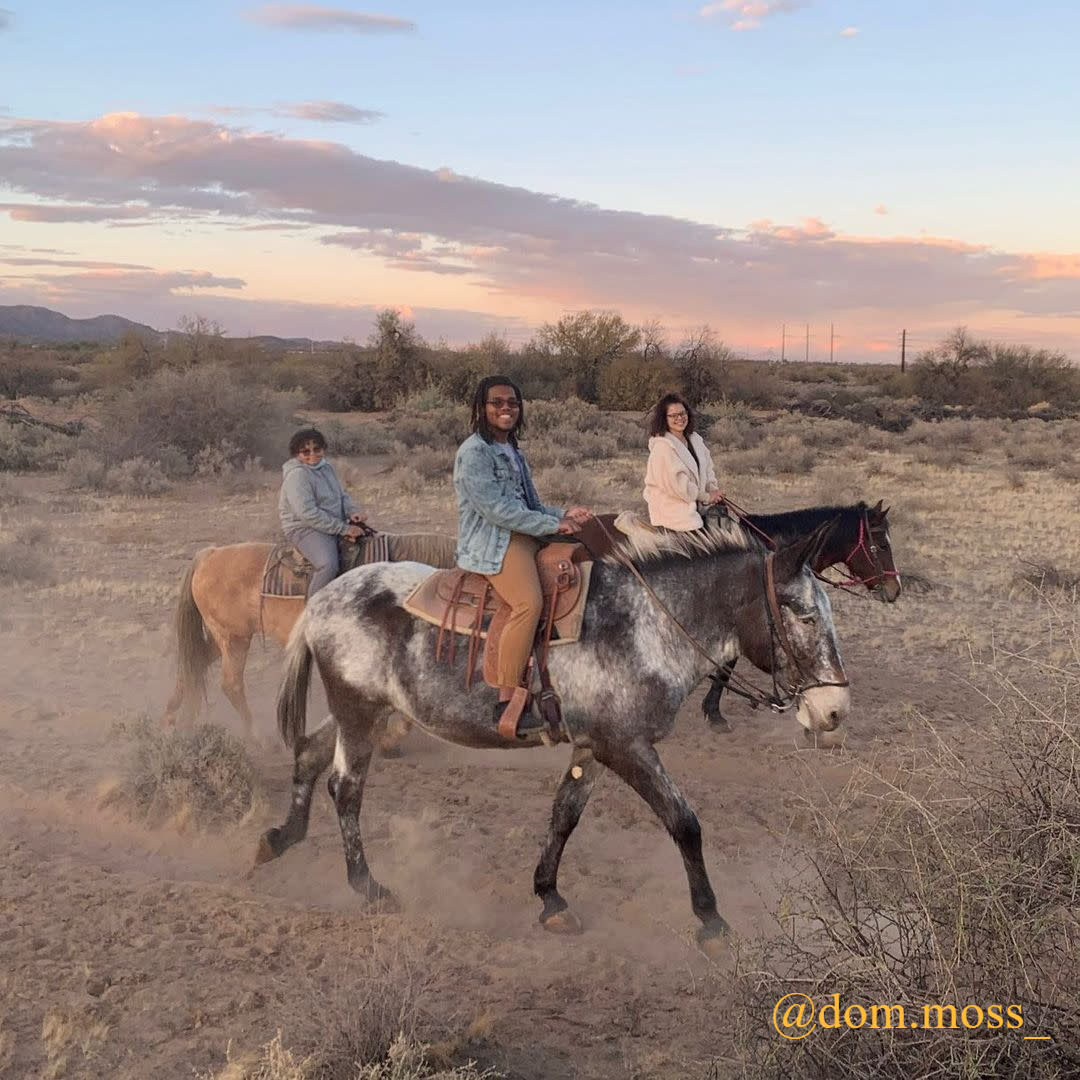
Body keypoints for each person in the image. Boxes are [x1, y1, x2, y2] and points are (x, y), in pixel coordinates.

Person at [453, 376, 593, 735]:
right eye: (497, 403)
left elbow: (529, 504)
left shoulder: (513, 450)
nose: (506, 409)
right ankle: (507, 698)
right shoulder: (474, 453)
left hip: (523, 531)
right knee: (527, 603)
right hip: (495, 540)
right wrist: (552, 523)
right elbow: (496, 511)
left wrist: (563, 514)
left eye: (512, 403)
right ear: (481, 408)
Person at [279, 427, 367, 596]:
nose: (312, 454)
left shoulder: (327, 468)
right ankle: (313, 610)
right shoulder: (297, 476)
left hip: (330, 522)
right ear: (297, 454)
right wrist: (343, 529)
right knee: (328, 564)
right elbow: (307, 513)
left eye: (317, 449)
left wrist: (352, 511)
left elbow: (341, 494)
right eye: (306, 451)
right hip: (304, 527)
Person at [643, 393, 723, 531]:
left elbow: (707, 469)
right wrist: (706, 496)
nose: (679, 418)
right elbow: (678, 485)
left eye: (682, 413)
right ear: (664, 419)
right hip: (673, 512)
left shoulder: (695, 440)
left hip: (696, 506)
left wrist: (713, 490)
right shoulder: (662, 448)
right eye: (673, 415)